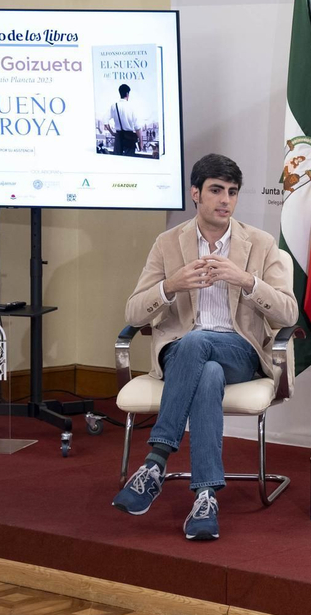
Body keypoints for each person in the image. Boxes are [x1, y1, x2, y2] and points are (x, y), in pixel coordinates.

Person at [112, 153, 300, 540]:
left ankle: (156, 459)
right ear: (195, 193)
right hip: (181, 353)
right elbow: (133, 310)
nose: (225, 200)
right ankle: (204, 495)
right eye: (216, 190)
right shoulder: (168, 244)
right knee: (205, 367)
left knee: (201, 346)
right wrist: (171, 286)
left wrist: (247, 281)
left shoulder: (261, 245)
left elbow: (289, 314)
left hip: (240, 350)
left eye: (232, 192)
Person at [108, 83, 139, 156]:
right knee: (129, 160)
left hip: (118, 136)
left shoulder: (114, 106)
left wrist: (112, 133)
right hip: (129, 137)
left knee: (118, 160)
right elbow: (138, 127)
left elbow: (105, 121)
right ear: (127, 94)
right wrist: (141, 142)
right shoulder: (131, 107)